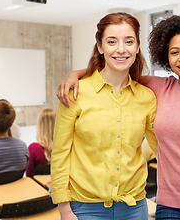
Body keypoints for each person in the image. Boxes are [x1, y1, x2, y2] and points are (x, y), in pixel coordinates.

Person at [57, 13, 180, 220]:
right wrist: (74, 74)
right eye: (175, 52)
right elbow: (116, 67)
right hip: (170, 206)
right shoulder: (159, 89)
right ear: (166, 56)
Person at [51, 12, 158, 220]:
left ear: (137, 47)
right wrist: (64, 208)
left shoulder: (146, 97)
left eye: (129, 41)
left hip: (134, 207)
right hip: (84, 208)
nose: (121, 49)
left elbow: (162, 148)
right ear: (100, 46)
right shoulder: (75, 92)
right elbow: (60, 155)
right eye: (112, 41)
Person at [26, 108, 56, 177]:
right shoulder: (63, 147)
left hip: (38, 187)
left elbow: (29, 177)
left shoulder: (33, 148)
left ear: (40, 125)